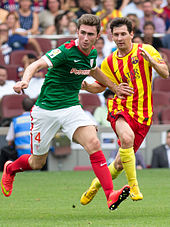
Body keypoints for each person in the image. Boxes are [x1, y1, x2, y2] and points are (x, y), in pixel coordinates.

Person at [1, 14, 134, 210]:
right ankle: (11, 168)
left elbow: (94, 70)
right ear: (77, 32)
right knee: (37, 162)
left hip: (71, 107)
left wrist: (114, 88)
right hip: (46, 110)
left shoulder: (90, 55)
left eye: (90, 34)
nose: (85, 38)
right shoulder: (65, 51)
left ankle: (110, 195)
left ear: (98, 36)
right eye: (82, 33)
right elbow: (36, 65)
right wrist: (25, 80)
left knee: (94, 143)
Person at [80, 17, 169, 206]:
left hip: (144, 115)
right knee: (126, 138)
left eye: (123, 34)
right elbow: (100, 85)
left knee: (120, 164)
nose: (120, 38)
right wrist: (86, 86)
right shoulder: (110, 61)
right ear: (111, 37)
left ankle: (96, 185)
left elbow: (165, 73)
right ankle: (134, 186)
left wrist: (151, 61)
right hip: (120, 108)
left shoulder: (145, 50)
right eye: (116, 35)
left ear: (131, 34)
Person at [0, 97, 34, 171]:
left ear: (22, 107)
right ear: (33, 107)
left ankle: (3, 172)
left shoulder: (16, 121)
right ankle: (44, 171)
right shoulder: (36, 120)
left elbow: (9, 141)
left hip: (20, 154)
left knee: (4, 150)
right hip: (35, 154)